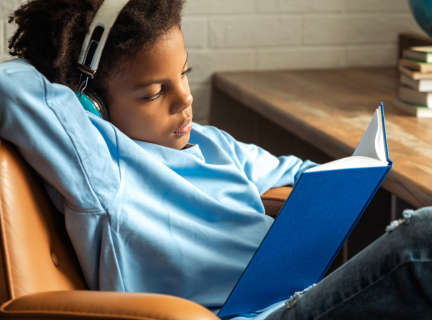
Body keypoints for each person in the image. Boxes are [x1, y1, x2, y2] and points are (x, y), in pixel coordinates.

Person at [1, 1, 431, 319]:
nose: (185, 99)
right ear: (93, 106)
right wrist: (77, 88)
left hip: (305, 296)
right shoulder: (100, 167)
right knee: (420, 239)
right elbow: (10, 83)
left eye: (184, 74)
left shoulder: (211, 144)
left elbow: (305, 176)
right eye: (154, 93)